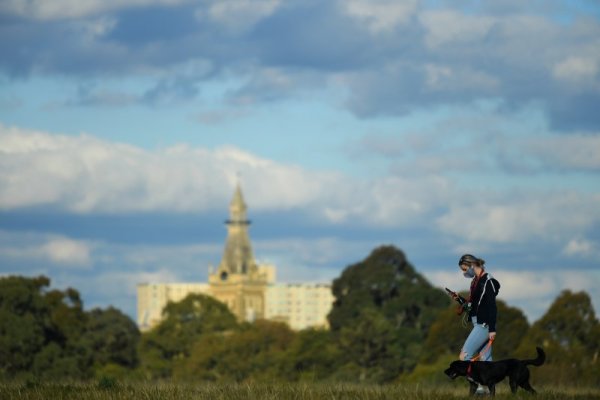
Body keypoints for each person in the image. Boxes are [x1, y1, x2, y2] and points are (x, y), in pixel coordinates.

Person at [450, 254, 501, 395]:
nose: (464, 273)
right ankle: (489, 392)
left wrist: (492, 329)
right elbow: (472, 306)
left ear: (472, 265)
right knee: (486, 359)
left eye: (465, 269)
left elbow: (492, 307)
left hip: (484, 326)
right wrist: (459, 299)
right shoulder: (475, 281)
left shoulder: (487, 282)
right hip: (477, 323)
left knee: (464, 357)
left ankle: (479, 388)